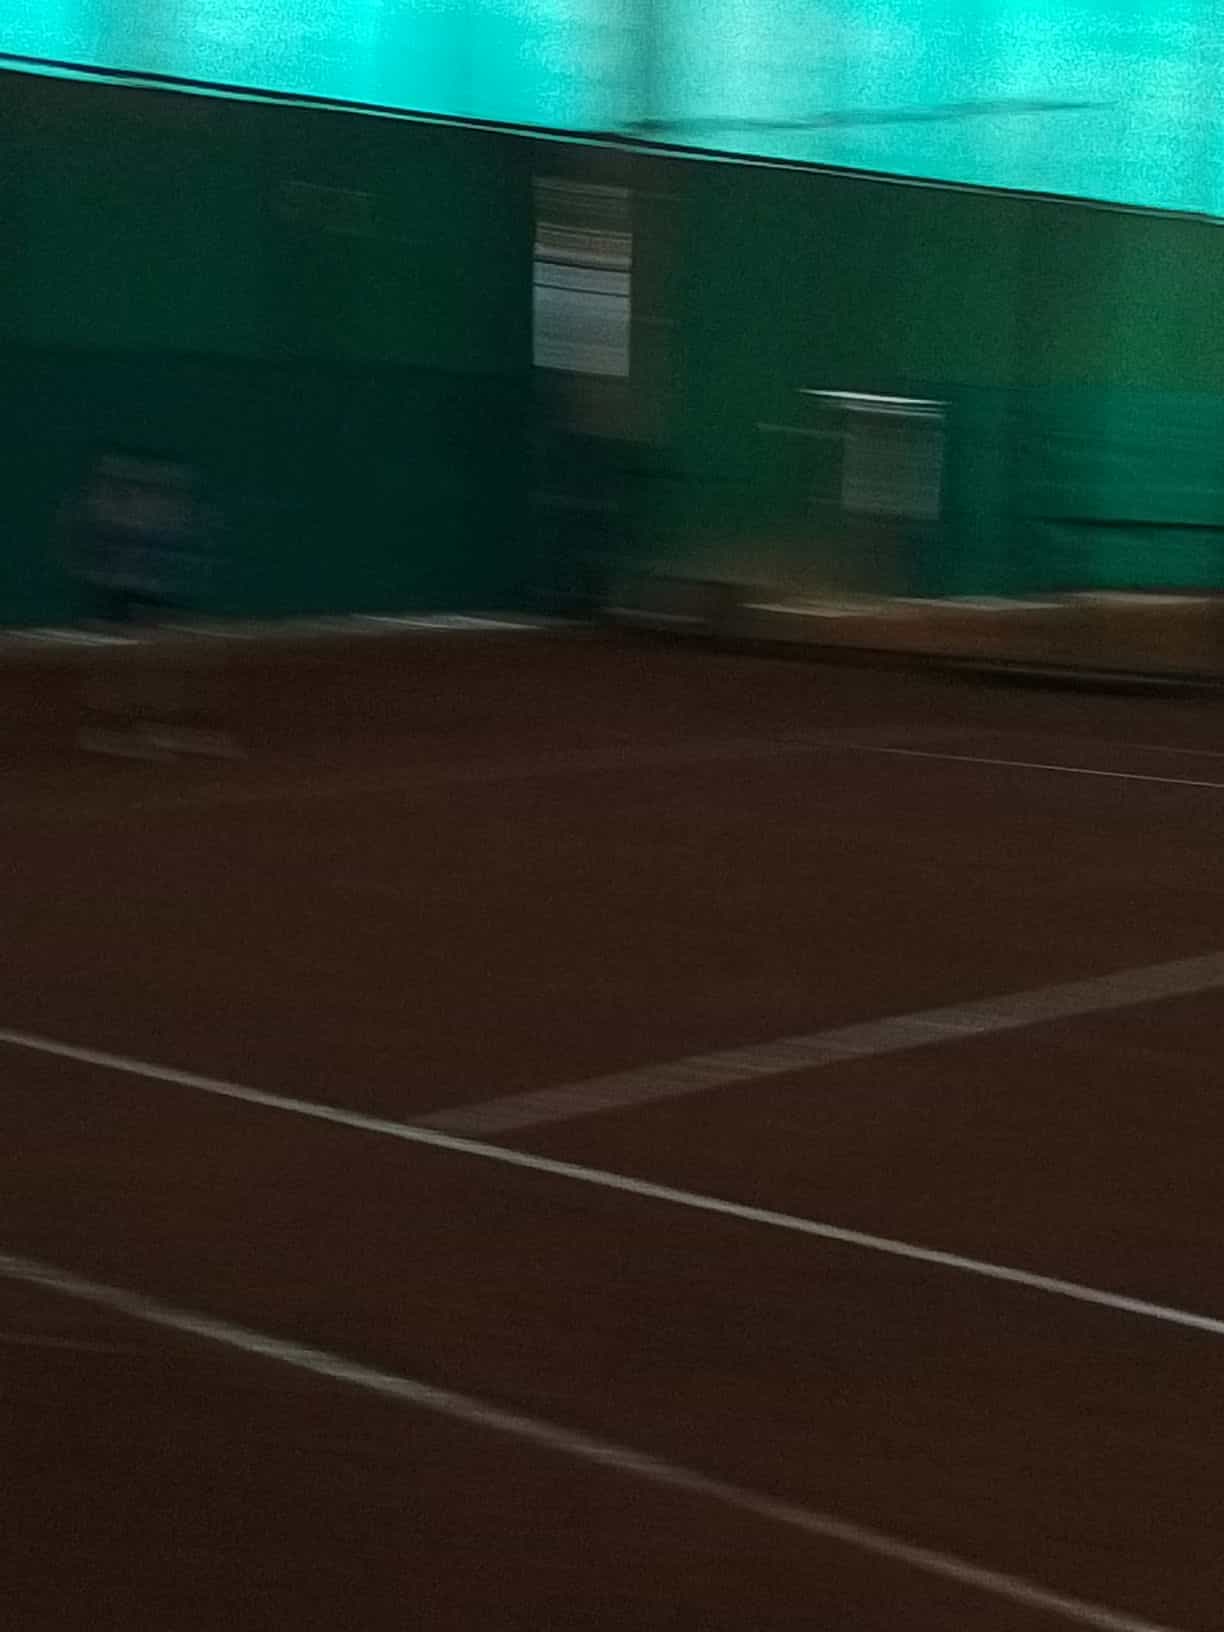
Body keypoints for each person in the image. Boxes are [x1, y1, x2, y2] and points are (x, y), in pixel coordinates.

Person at [57, 446, 237, 757]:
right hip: (119, 590)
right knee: (121, 658)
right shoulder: (107, 506)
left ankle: (166, 724)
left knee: (170, 653)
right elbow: (78, 543)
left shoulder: (155, 509)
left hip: (152, 588)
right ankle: (108, 727)